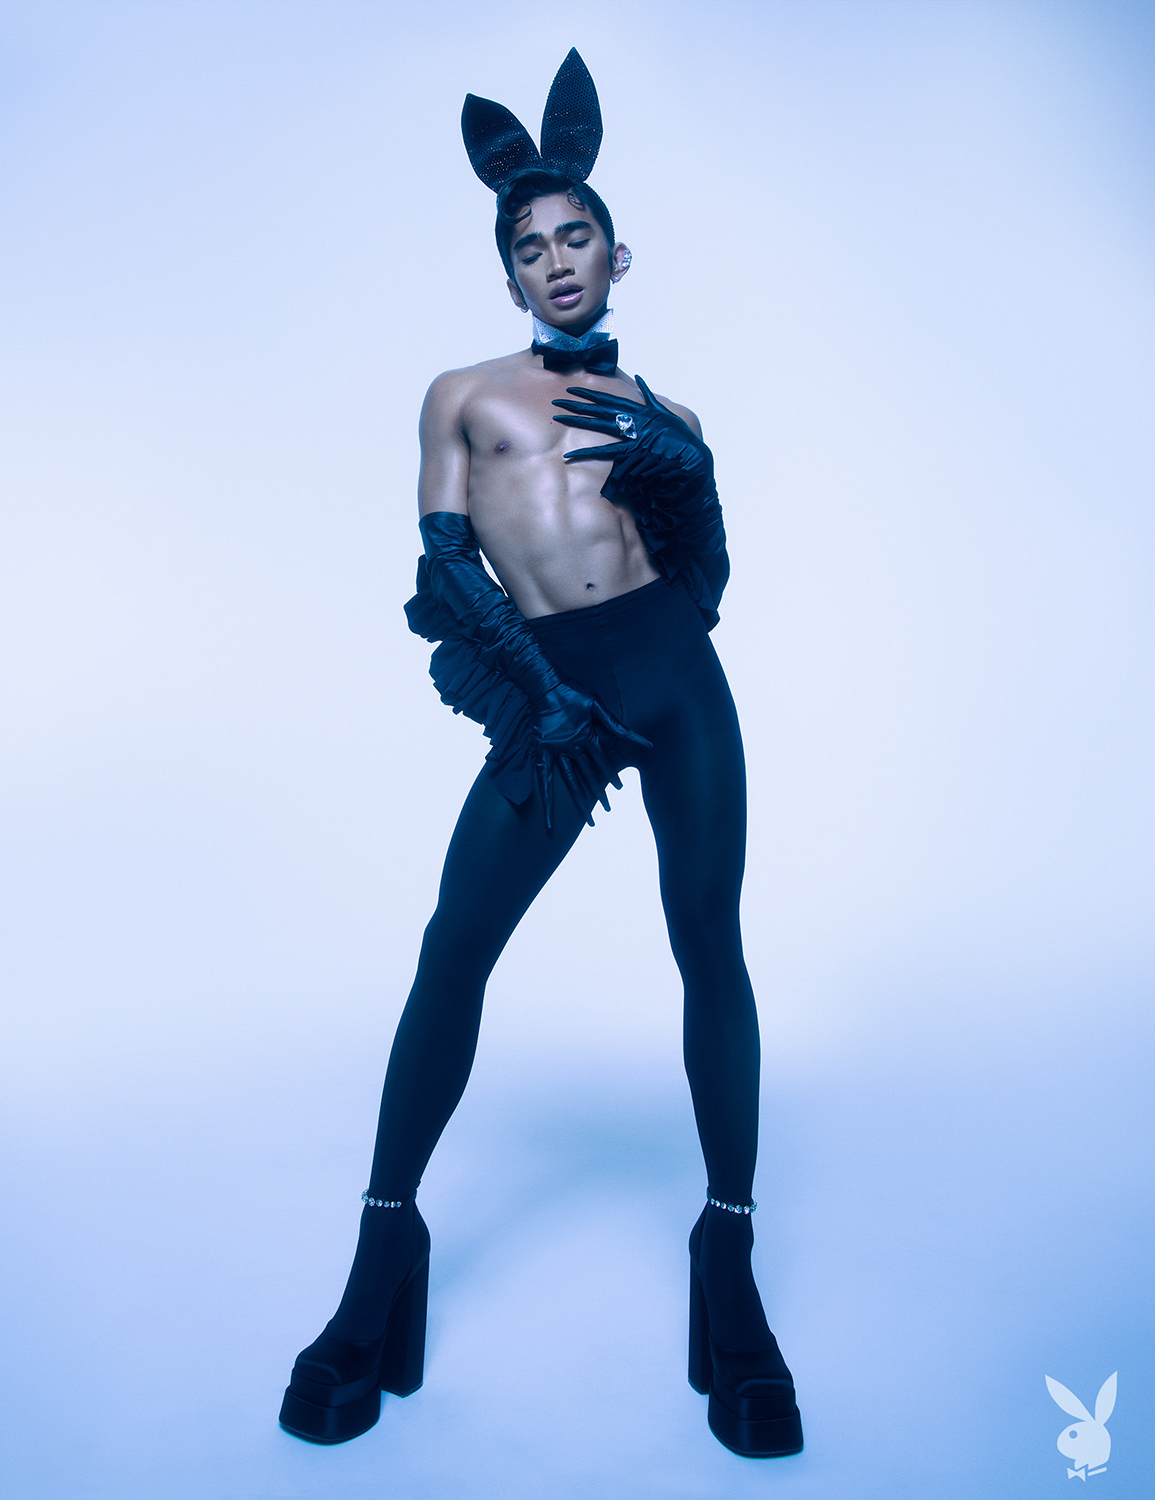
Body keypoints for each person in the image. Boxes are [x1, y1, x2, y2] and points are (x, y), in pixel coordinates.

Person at [278, 50, 803, 1460]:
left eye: (577, 237)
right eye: (531, 245)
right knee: (455, 946)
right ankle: (382, 1250)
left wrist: (686, 472)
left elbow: (704, 580)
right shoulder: (465, 394)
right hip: (550, 690)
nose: (557, 260)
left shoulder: (671, 416)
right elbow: (446, 565)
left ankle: (730, 1254)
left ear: (618, 256)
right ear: (509, 272)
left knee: (711, 945)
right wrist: (541, 700)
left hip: (676, 679)